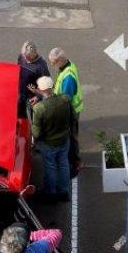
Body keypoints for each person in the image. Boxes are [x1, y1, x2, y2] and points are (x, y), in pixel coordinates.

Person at [32, 77, 74, 201]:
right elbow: (72, 118)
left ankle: (51, 194)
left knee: (50, 167)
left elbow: (36, 132)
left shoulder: (39, 108)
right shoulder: (65, 99)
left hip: (48, 142)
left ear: (40, 89)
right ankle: (64, 192)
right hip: (64, 139)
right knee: (63, 164)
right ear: (53, 86)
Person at [47, 47, 82, 176]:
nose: (51, 64)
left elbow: (65, 100)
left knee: (72, 137)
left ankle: (75, 164)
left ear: (60, 60)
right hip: (71, 109)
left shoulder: (68, 77)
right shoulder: (68, 65)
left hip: (70, 111)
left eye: (53, 62)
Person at [16, 42, 50, 118]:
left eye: (26, 57)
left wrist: (38, 97)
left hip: (32, 97)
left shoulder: (41, 67)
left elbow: (47, 85)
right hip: (20, 93)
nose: (24, 58)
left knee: (33, 117)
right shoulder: (21, 57)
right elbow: (18, 69)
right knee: (19, 115)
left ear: (33, 56)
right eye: (24, 56)